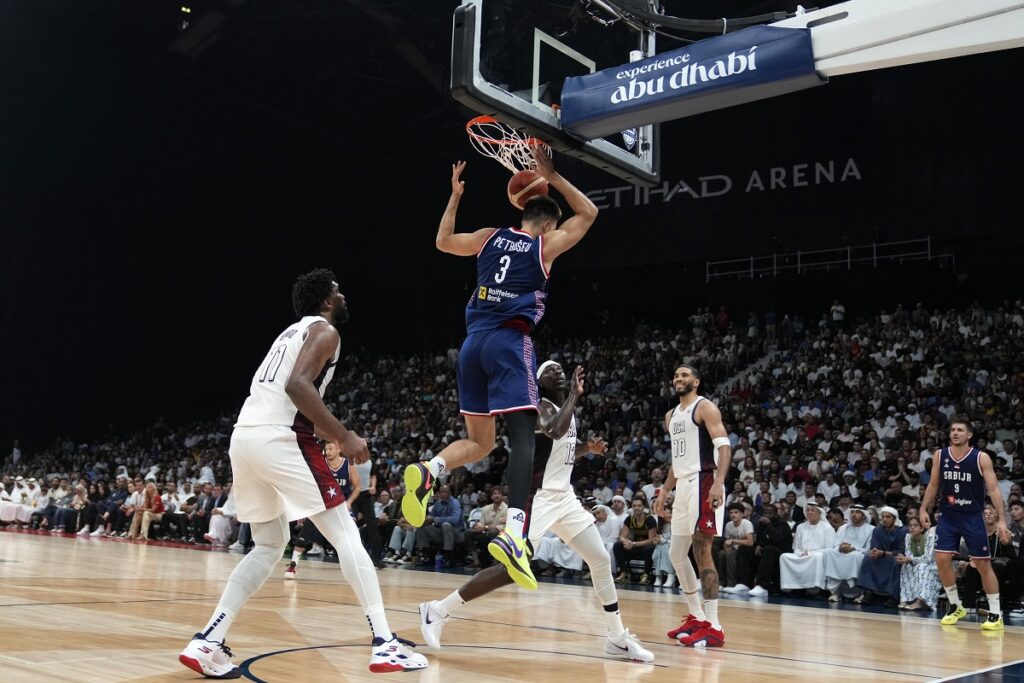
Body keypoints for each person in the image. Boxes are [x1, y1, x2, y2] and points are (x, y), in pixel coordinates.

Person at [179, 269, 427, 677]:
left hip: (244, 438)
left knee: (268, 544)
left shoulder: (287, 334)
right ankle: (385, 644)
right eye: (338, 290)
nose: (344, 295)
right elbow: (298, 385)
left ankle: (208, 639)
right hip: (280, 437)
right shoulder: (325, 331)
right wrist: (343, 435)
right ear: (327, 300)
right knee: (347, 535)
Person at [401, 151, 598, 590]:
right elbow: (589, 211)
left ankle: (430, 470)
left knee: (480, 442)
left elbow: (443, 241)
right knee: (525, 434)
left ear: (521, 211)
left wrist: (454, 197)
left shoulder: (490, 236)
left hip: (471, 345)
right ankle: (513, 533)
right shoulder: (545, 245)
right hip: (511, 342)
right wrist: (554, 175)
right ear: (547, 223)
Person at [416, 360, 652, 662]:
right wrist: (575, 397)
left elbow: (564, 445)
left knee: (600, 558)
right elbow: (554, 430)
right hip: (537, 499)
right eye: (552, 371)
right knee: (511, 570)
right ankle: (437, 610)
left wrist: (587, 449)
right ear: (541, 382)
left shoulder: (564, 408)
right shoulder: (538, 407)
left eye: (561, 370)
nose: (560, 373)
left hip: (564, 498)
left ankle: (617, 637)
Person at [654, 365, 733, 648]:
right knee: (676, 552)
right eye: (675, 375)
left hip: (704, 480)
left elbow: (724, 447)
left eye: (685, 375)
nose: (679, 379)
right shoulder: (670, 416)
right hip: (684, 484)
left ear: (696, 382)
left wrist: (718, 482)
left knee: (702, 550)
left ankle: (714, 626)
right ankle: (697, 616)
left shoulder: (705, 407)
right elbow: (677, 460)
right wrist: (664, 490)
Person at [920, 417, 1012, 631]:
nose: (955, 433)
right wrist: (924, 508)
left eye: (960, 430)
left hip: (972, 516)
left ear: (969, 435)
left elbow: (994, 490)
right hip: (949, 514)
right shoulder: (940, 455)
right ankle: (955, 606)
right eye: (952, 430)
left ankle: (996, 613)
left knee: (982, 564)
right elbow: (934, 484)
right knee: (941, 559)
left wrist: (1002, 520)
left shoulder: (981, 458)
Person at [856, 506, 908, 605]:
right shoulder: (878, 529)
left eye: (888, 517)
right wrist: (875, 552)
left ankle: (893, 596)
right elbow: (874, 546)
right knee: (868, 558)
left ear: (894, 518)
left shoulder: (903, 531)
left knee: (896, 561)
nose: (884, 519)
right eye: (883, 517)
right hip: (881, 555)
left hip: (896, 556)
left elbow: (902, 551)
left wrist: (884, 553)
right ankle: (868, 592)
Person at [823, 504, 874, 602]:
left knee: (855, 556)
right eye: (852, 512)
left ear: (864, 515)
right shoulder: (843, 528)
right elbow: (835, 545)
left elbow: (869, 549)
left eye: (857, 512)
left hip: (858, 554)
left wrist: (853, 548)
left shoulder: (871, 529)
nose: (854, 515)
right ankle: (835, 592)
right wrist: (840, 547)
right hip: (842, 553)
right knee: (828, 552)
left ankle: (860, 593)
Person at [780, 502, 835, 592]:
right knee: (784, 556)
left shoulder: (827, 528)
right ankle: (790, 587)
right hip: (802, 554)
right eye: (807, 510)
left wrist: (811, 553)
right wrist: (800, 553)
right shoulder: (800, 527)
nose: (809, 512)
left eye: (812, 510)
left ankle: (815, 588)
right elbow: (796, 546)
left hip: (819, 555)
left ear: (819, 513)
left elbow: (830, 549)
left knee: (816, 557)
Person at [897, 516, 940, 610]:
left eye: (915, 525)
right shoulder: (908, 537)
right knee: (905, 566)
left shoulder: (929, 537)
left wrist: (910, 560)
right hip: (917, 564)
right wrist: (905, 559)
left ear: (921, 528)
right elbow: (909, 554)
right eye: (910, 525)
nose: (912, 527)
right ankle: (905, 599)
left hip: (932, 566)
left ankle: (920, 601)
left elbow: (928, 559)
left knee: (922, 567)